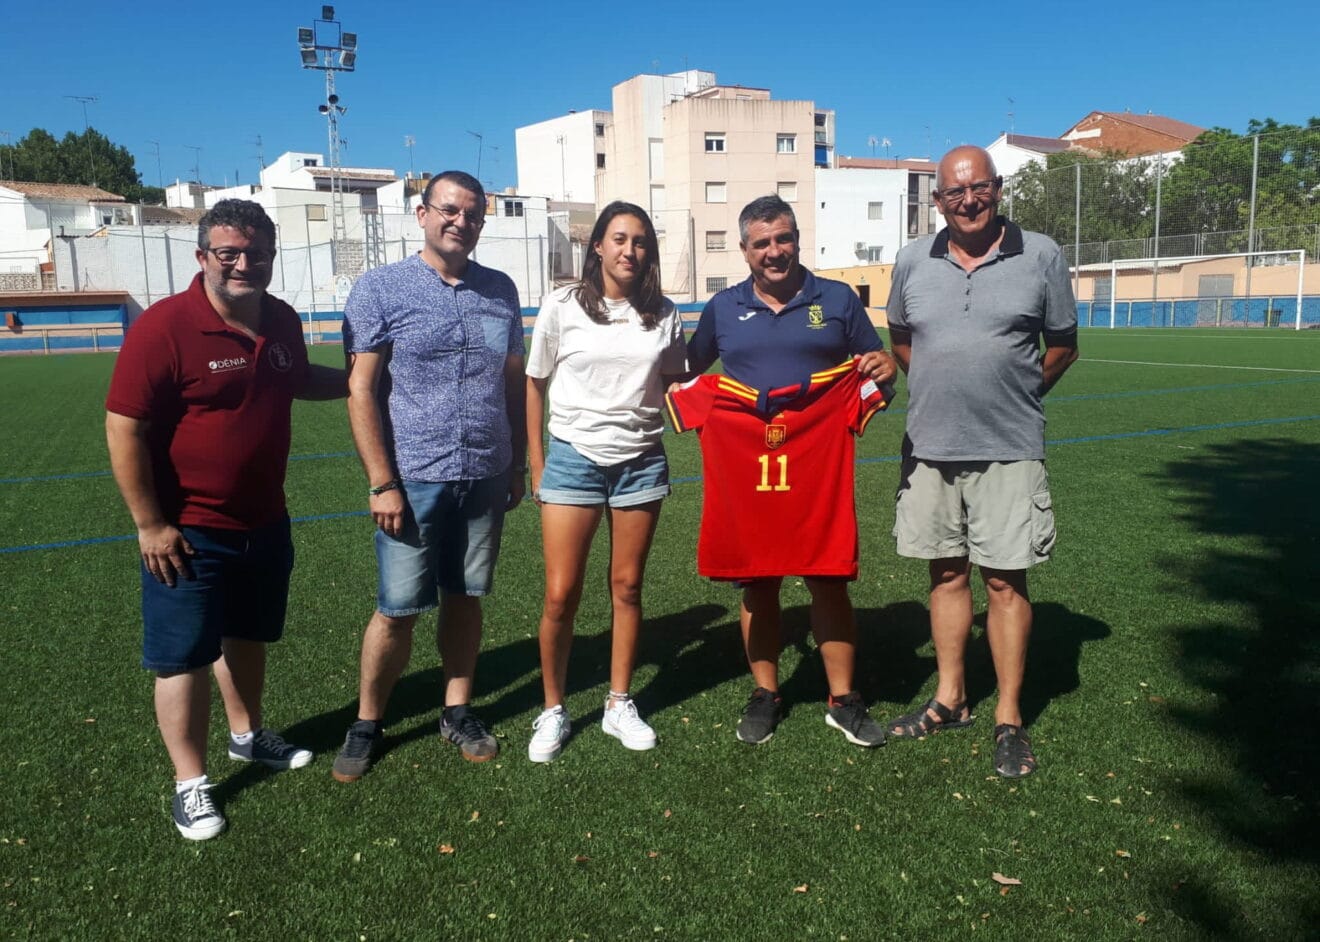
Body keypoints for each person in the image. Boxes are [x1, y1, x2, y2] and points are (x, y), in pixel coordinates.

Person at [105, 198, 346, 840]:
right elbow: (124, 425)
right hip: (186, 530)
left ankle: (247, 736)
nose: (244, 264)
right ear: (203, 257)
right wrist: (150, 524)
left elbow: (294, 379)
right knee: (182, 658)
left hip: (265, 520)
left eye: (257, 254)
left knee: (246, 637)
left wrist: (363, 381)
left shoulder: (283, 321)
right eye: (229, 253)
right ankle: (190, 783)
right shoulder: (163, 327)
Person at [884, 145, 1079, 778]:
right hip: (930, 447)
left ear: (997, 189)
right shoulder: (913, 259)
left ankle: (1010, 717)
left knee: (1004, 580)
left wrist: (1018, 392)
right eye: (953, 193)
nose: (967, 201)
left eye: (979, 189)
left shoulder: (1041, 254)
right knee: (945, 575)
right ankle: (952, 698)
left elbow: (1064, 345)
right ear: (937, 200)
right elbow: (902, 339)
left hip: (1009, 448)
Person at [684, 194, 898, 747]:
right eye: (762, 243)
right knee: (758, 586)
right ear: (744, 250)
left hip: (815, 470)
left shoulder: (839, 300)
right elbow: (686, 370)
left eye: (783, 239)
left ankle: (843, 699)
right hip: (749, 472)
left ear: (798, 239)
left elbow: (877, 375)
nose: (774, 252)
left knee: (828, 582)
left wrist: (885, 369)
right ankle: (765, 692)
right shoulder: (723, 307)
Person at [333, 170, 526, 781]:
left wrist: (517, 458)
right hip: (413, 478)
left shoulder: (501, 290)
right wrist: (381, 480)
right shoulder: (381, 289)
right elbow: (360, 389)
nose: (460, 222)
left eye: (471, 214)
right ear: (422, 214)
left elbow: (512, 381)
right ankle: (367, 721)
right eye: (449, 210)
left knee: (466, 597)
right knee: (396, 608)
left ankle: (457, 708)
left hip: (485, 471)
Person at [524, 202, 686, 762]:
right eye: (619, 239)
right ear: (597, 245)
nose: (629, 250)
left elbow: (677, 383)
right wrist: (538, 461)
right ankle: (552, 709)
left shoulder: (663, 313)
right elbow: (534, 381)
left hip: (641, 462)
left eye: (640, 241)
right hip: (573, 459)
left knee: (628, 588)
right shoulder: (562, 304)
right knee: (560, 593)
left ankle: (618, 703)